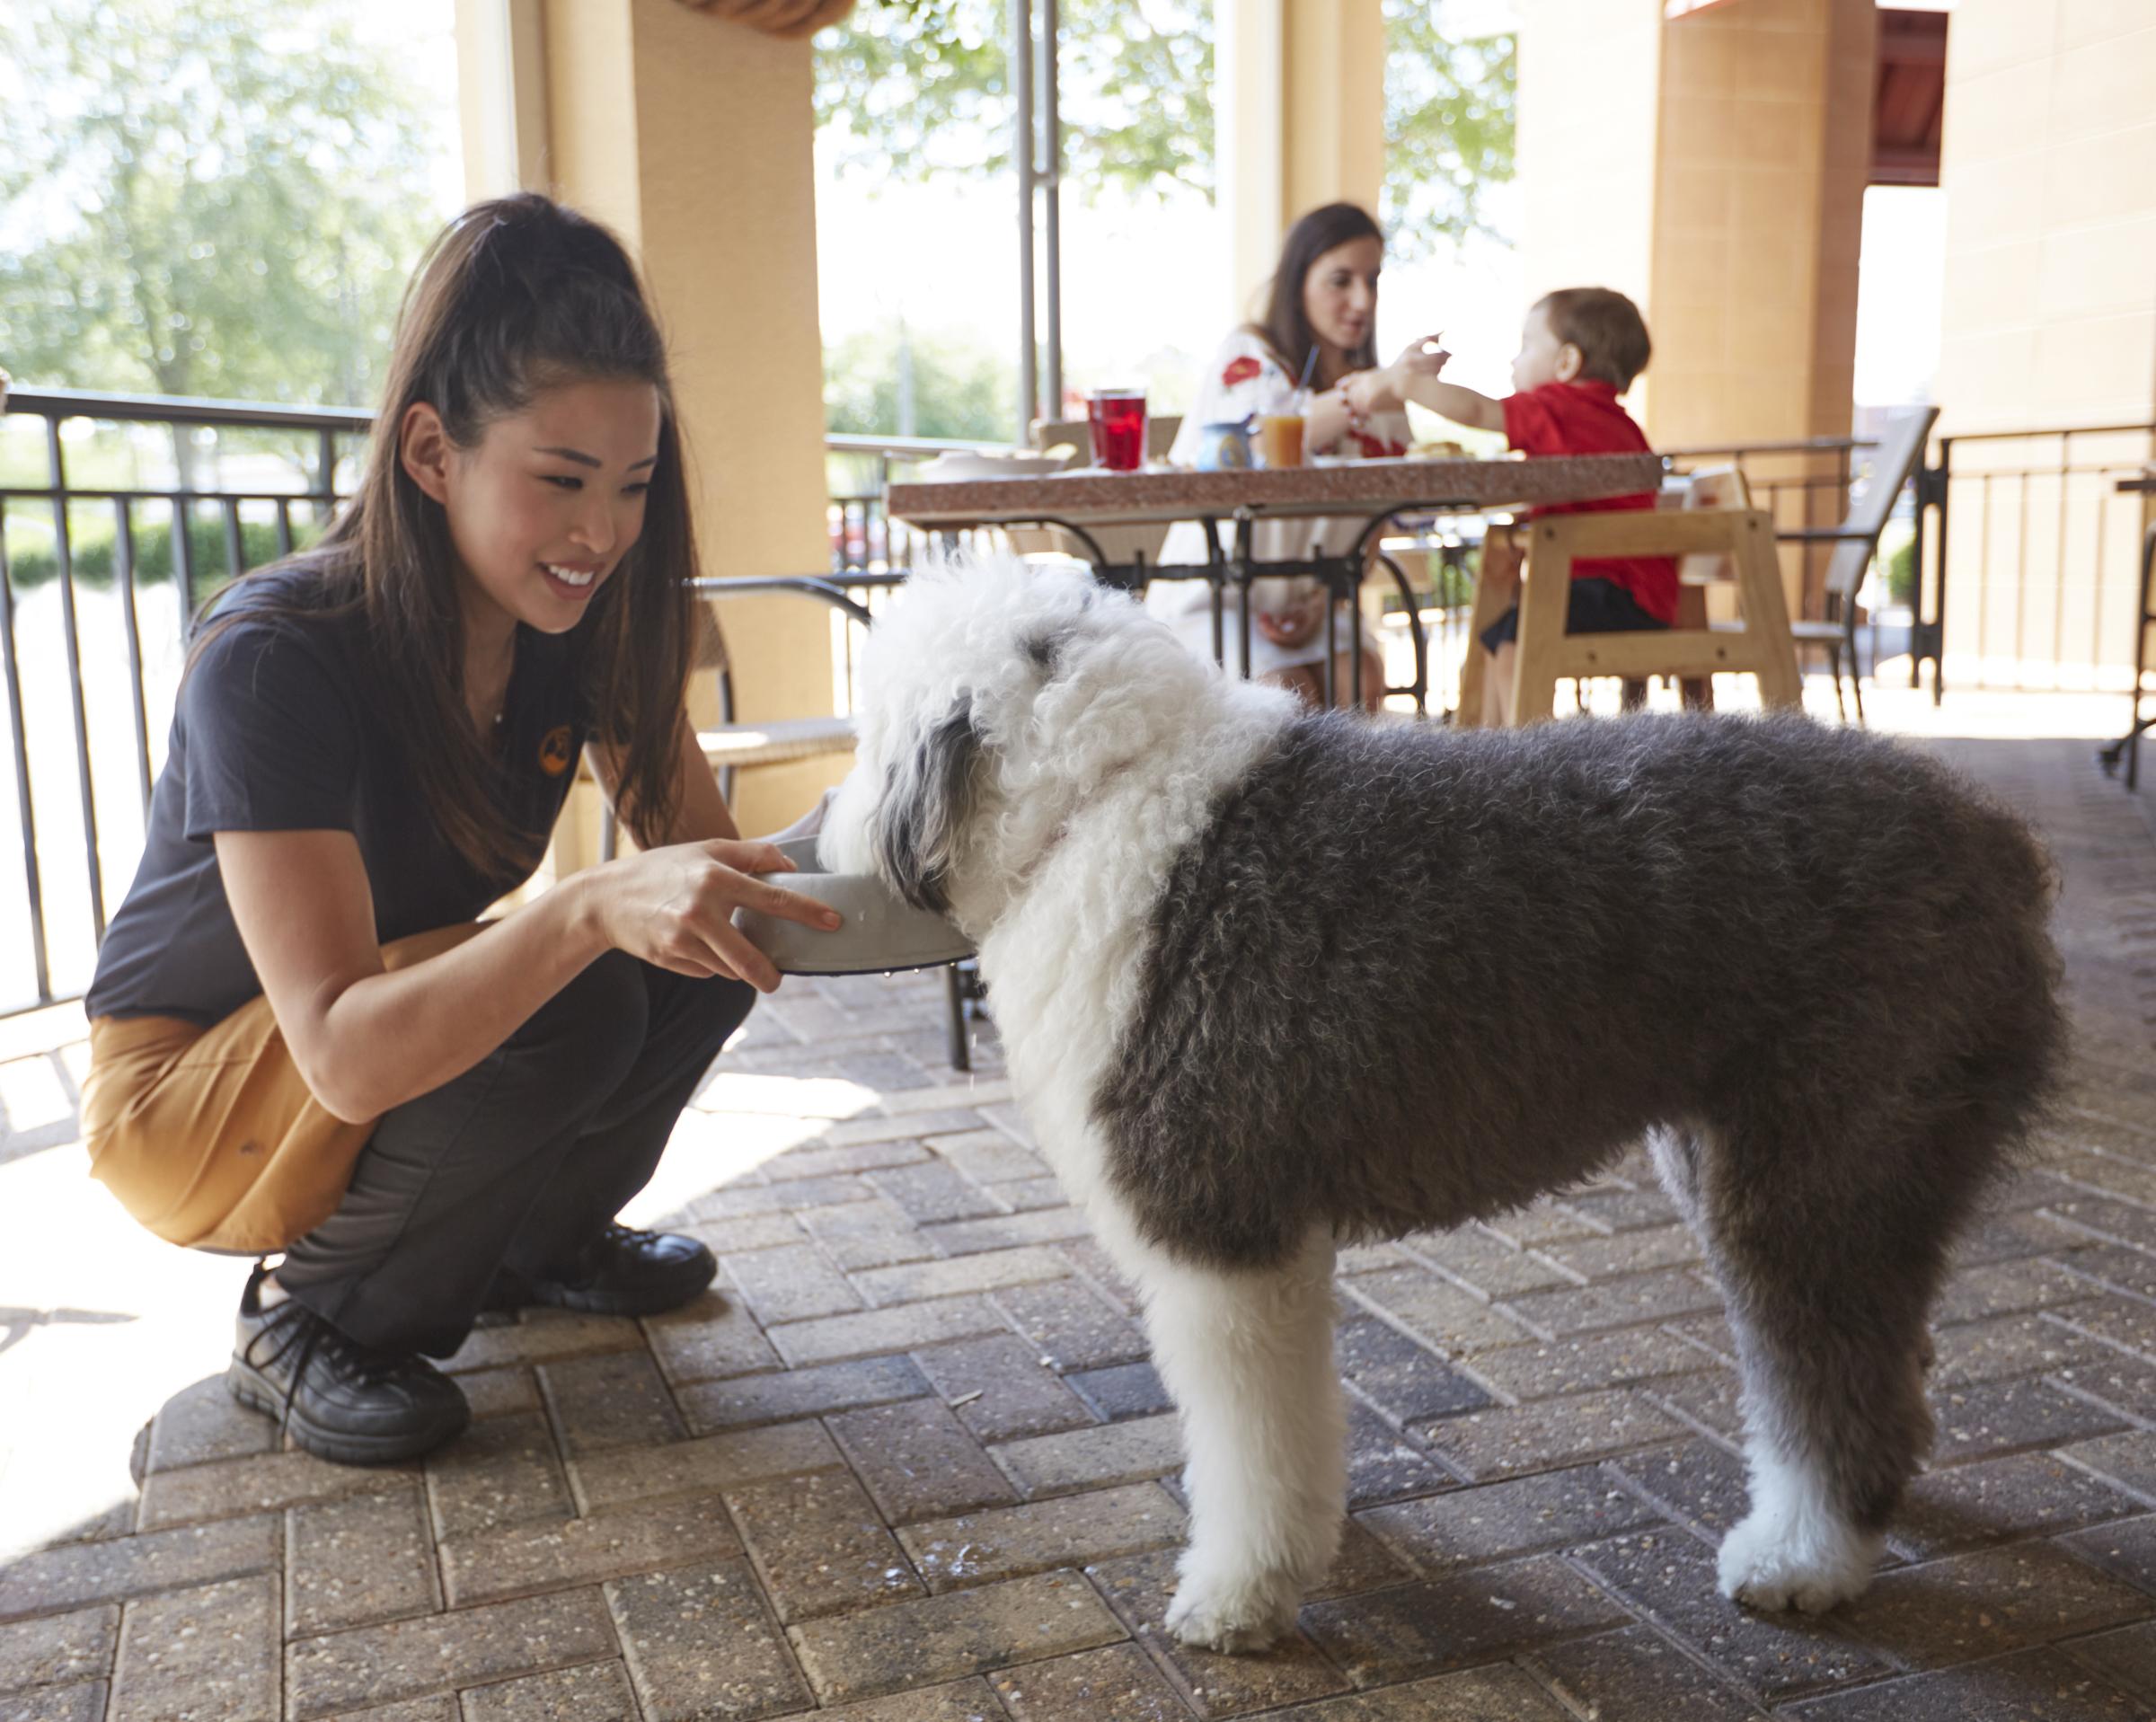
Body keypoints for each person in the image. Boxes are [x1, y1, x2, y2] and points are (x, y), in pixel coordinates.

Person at [76, 195, 843, 1466]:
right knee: (583, 982)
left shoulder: (580, 628)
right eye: (560, 480)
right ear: (432, 453)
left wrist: (919, 844)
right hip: (189, 1095)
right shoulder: (274, 658)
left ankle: (529, 1247)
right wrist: (588, 909)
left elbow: (715, 869)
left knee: (711, 941)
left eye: (633, 486)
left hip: (354, 1041)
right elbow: (342, 1056)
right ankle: (313, 1312)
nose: (601, 533)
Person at [1348, 287, 1675, 725]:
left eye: (1526, 346)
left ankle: (1516, 750)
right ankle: (1500, 742)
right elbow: (1593, 500)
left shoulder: (1558, 409)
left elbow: (1477, 412)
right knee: (1504, 630)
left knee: (1514, 635)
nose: (1512, 361)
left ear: (1566, 363)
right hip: (1641, 595)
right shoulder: (1615, 423)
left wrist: (1407, 384)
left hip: (1613, 594)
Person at [1147, 202, 1410, 711]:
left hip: (1312, 600)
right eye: (1341, 280)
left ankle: (1349, 797)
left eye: (1373, 280)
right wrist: (1369, 392)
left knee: (1359, 679)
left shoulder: (1382, 394)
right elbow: (1266, 443)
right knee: (1284, 694)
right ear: (1298, 283)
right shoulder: (1248, 357)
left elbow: (1379, 517)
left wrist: (1326, 599)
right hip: (1217, 592)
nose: (1362, 300)